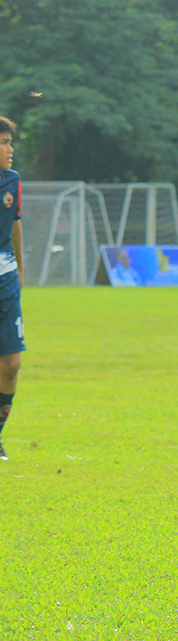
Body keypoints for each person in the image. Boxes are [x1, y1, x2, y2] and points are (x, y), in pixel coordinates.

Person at [0, 116, 25, 461]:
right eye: (4, 143)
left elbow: (16, 222)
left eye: (10, 142)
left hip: (5, 280)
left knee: (12, 365)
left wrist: (20, 269)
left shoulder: (12, 180)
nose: (10, 149)